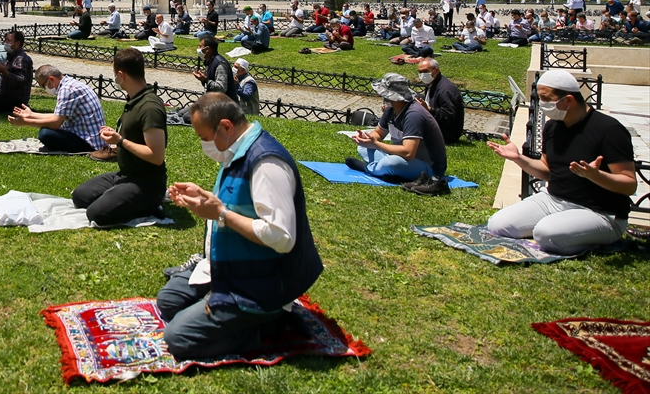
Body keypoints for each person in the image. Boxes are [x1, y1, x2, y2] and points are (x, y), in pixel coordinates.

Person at [158, 93, 323, 360]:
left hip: (260, 283)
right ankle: (221, 308)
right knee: (169, 302)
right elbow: (237, 205)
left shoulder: (267, 163)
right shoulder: (236, 149)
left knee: (178, 339)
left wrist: (221, 213)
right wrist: (203, 201)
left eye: (204, 137)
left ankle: (270, 326)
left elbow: (281, 237)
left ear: (225, 126)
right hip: (231, 268)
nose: (204, 145)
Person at [486, 70, 635, 255]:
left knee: (544, 234)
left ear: (569, 100)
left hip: (601, 213)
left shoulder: (609, 130)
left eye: (546, 98)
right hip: (554, 200)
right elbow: (547, 171)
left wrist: (596, 176)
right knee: (497, 225)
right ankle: (566, 234)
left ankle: (594, 240)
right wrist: (518, 158)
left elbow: (629, 185)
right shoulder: (553, 126)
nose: (542, 104)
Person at [71, 49, 168, 224]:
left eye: (115, 74)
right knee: (80, 196)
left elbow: (156, 156)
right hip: (125, 175)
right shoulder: (134, 100)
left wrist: (120, 141)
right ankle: (121, 196)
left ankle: (150, 205)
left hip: (146, 183)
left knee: (96, 214)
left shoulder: (149, 107)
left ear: (121, 75)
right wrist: (115, 138)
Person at [346, 73, 447, 190]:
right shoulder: (391, 109)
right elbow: (378, 133)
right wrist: (366, 139)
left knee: (392, 163)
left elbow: (408, 153)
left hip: (428, 167)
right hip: (404, 158)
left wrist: (376, 144)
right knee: (362, 148)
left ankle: (367, 168)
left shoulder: (414, 115)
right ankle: (386, 171)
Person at [8, 65, 106, 153]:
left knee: (45, 134)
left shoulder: (66, 90)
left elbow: (55, 123)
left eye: (43, 85)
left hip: (88, 141)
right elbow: (58, 116)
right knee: (47, 131)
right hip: (91, 136)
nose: (44, 88)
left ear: (51, 79)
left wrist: (25, 122)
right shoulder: (70, 84)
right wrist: (31, 114)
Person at [416, 58, 464, 144]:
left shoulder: (445, 90)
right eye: (420, 72)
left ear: (436, 70)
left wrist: (429, 110)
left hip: (447, 133)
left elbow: (448, 117)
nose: (422, 75)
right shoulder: (432, 83)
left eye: (425, 71)